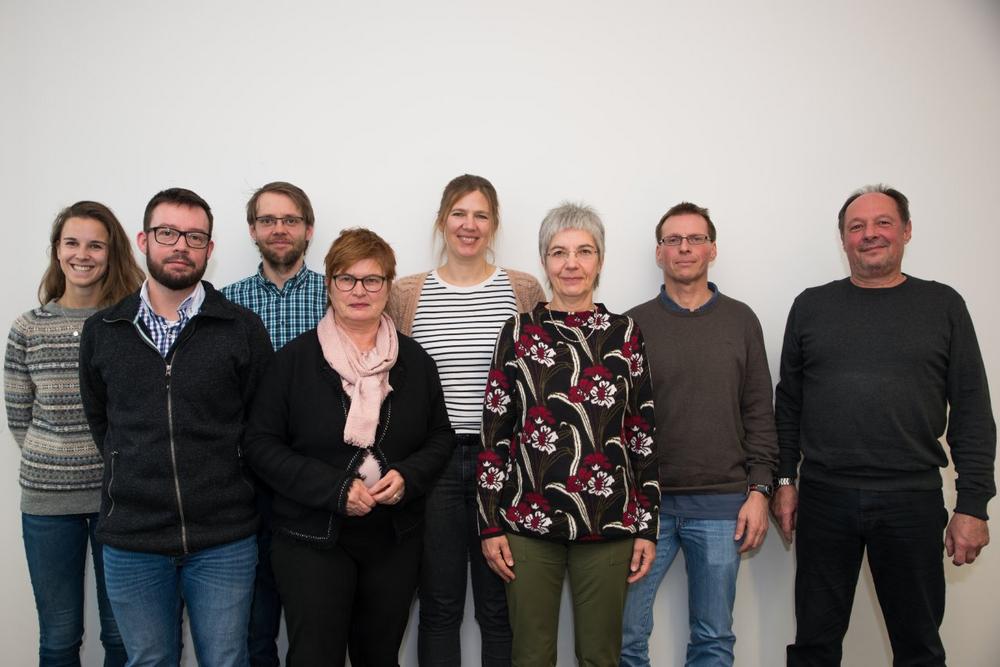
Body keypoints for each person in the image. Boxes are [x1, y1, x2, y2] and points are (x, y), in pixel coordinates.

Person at [771, 185, 996, 666]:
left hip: (911, 499)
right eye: (857, 227)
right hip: (825, 497)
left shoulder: (943, 305)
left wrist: (973, 505)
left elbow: (973, 409)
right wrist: (784, 481)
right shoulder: (811, 306)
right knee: (814, 644)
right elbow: (788, 405)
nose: (869, 234)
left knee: (919, 647)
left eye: (883, 223)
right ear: (843, 239)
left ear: (907, 231)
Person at [79, 188, 273, 666]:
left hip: (224, 538)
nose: (181, 246)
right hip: (133, 538)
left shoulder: (241, 328)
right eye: (167, 233)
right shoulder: (104, 331)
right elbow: (102, 422)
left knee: (226, 659)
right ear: (144, 240)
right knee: (148, 660)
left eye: (195, 237)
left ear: (210, 248)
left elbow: (260, 425)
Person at [244, 227, 455, 666]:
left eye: (372, 279)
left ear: (388, 287)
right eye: (347, 279)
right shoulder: (293, 362)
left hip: (393, 540)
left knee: (379, 657)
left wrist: (408, 476)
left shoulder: (416, 362)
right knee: (315, 657)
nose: (360, 291)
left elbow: (440, 437)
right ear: (330, 285)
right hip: (311, 537)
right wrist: (335, 489)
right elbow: (260, 445)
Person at [478, 202, 660, 666]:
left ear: (600, 260)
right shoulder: (518, 332)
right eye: (559, 252)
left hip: (610, 520)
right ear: (544, 261)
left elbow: (641, 431)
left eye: (584, 251)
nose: (571, 263)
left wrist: (648, 524)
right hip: (528, 521)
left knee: (600, 656)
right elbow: (495, 433)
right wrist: (489, 523)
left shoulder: (625, 333)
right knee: (531, 655)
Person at [387, 174, 545, 666]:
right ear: (442, 220)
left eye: (480, 215)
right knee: (439, 604)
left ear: (494, 224)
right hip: (434, 462)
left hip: (506, 464)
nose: (469, 225)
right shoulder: (406, 293)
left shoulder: (522, 289)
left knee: (499, 607)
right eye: (459, 213)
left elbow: (544, 377)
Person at [620, 202, 778, 667]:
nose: (684, 248)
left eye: (695, 239)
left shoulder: (741, 320)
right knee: (626, 636)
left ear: (712, 249)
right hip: (647, 508)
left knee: (713, 637)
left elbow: (759, 411)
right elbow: (617, 421)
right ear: (659, 252)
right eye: (673, 240)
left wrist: (760, 491)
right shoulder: (631, 325)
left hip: (721, 505)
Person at [5, 201, 143, 667]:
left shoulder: (129, 325)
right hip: (47, 503)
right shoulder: (28, 328)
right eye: (72, 243)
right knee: (59, 636)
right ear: (57, 250)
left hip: (118, 500)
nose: (82, 254)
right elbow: (19, 417)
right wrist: (59, 459)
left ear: (112, 253)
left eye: (95, 245)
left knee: (121, 636)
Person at [221, 181, 327, 667]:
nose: (279, 229)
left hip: (318, 481)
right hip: (247, 484)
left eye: (290, 220)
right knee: (254, 623)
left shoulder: (338, 295)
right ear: (252, 230)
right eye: (268, 220)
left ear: (309, 229)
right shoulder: (224, 304)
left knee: (316, 625)